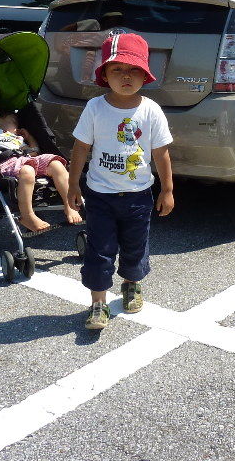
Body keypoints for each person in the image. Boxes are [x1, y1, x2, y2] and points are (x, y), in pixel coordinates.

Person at [67, 33, 174, 331]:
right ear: (104, 74)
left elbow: (161, 152)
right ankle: (98, 302)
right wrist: (73, 185)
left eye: (133, 69)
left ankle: (131, 284)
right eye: (117, 69)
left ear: (145, 74)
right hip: (100, 196)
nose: (126, 76)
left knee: (135, 247)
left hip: (138, 196)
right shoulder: (95, 107)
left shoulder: (150, 110)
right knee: (99, 250)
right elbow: (81, 148)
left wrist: (167, 189)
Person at [0, 109, 83, 233]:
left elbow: (34, 152)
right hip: (6, 162)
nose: (17, 127)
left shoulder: (17, 138)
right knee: (27, 170)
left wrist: (29, 137)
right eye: (14, 121)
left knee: (56, 164)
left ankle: (69, 205)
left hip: (26, 159)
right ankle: (27, 215)